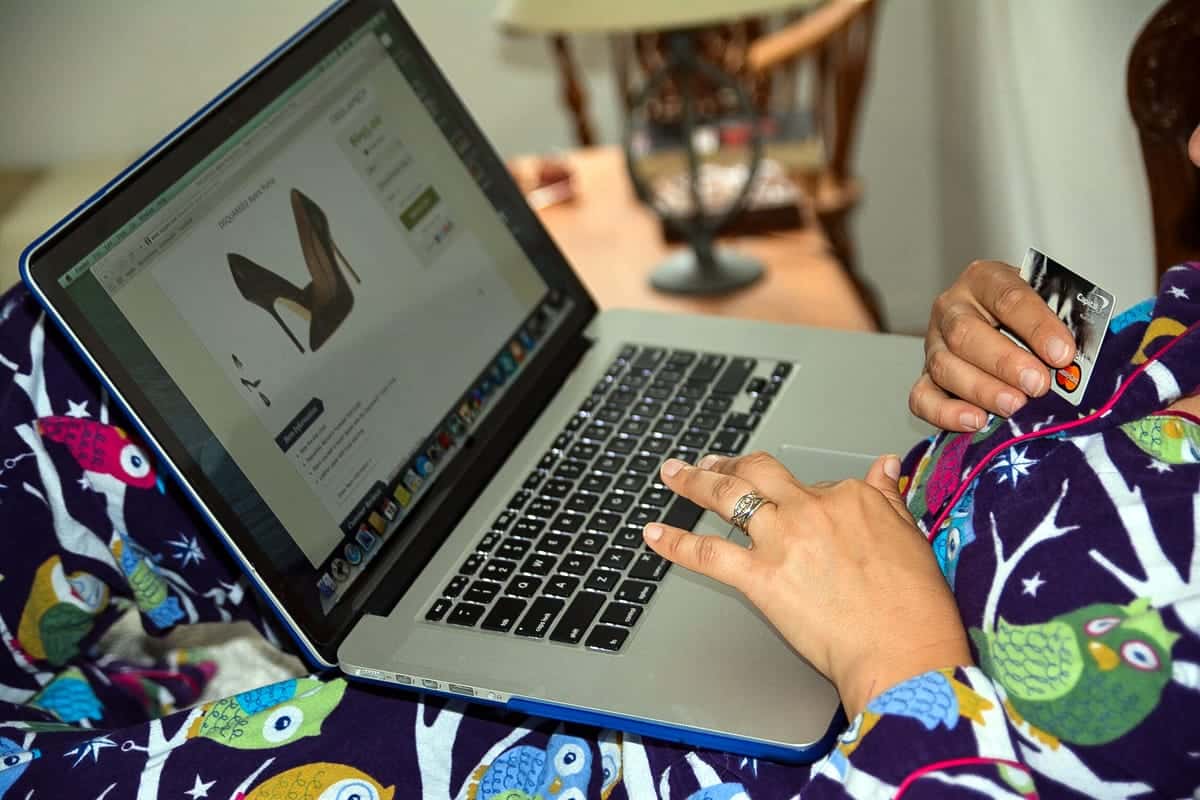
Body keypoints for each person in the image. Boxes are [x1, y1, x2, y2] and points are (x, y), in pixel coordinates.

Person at [1, 128, 1198, 800]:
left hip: (828, 741)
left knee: (81, 766)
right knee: (61, 355)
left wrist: (901, 654)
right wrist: (986, 369)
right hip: (845, 543)